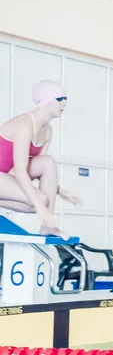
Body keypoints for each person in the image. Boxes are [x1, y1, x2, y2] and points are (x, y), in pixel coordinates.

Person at [0, 80, 81, 240]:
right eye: (59, 99)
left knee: (48, 162)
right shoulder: (25, 125)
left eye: (65, 99)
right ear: (45, 100)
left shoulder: (47, 131)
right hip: (7, 174)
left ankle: (48, 227)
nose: (64, 103)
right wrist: (41, 208)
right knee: (40, 200)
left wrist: (62, 192)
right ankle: (47, 221)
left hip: (8, 175)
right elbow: (22, 172)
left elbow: (39, 171)